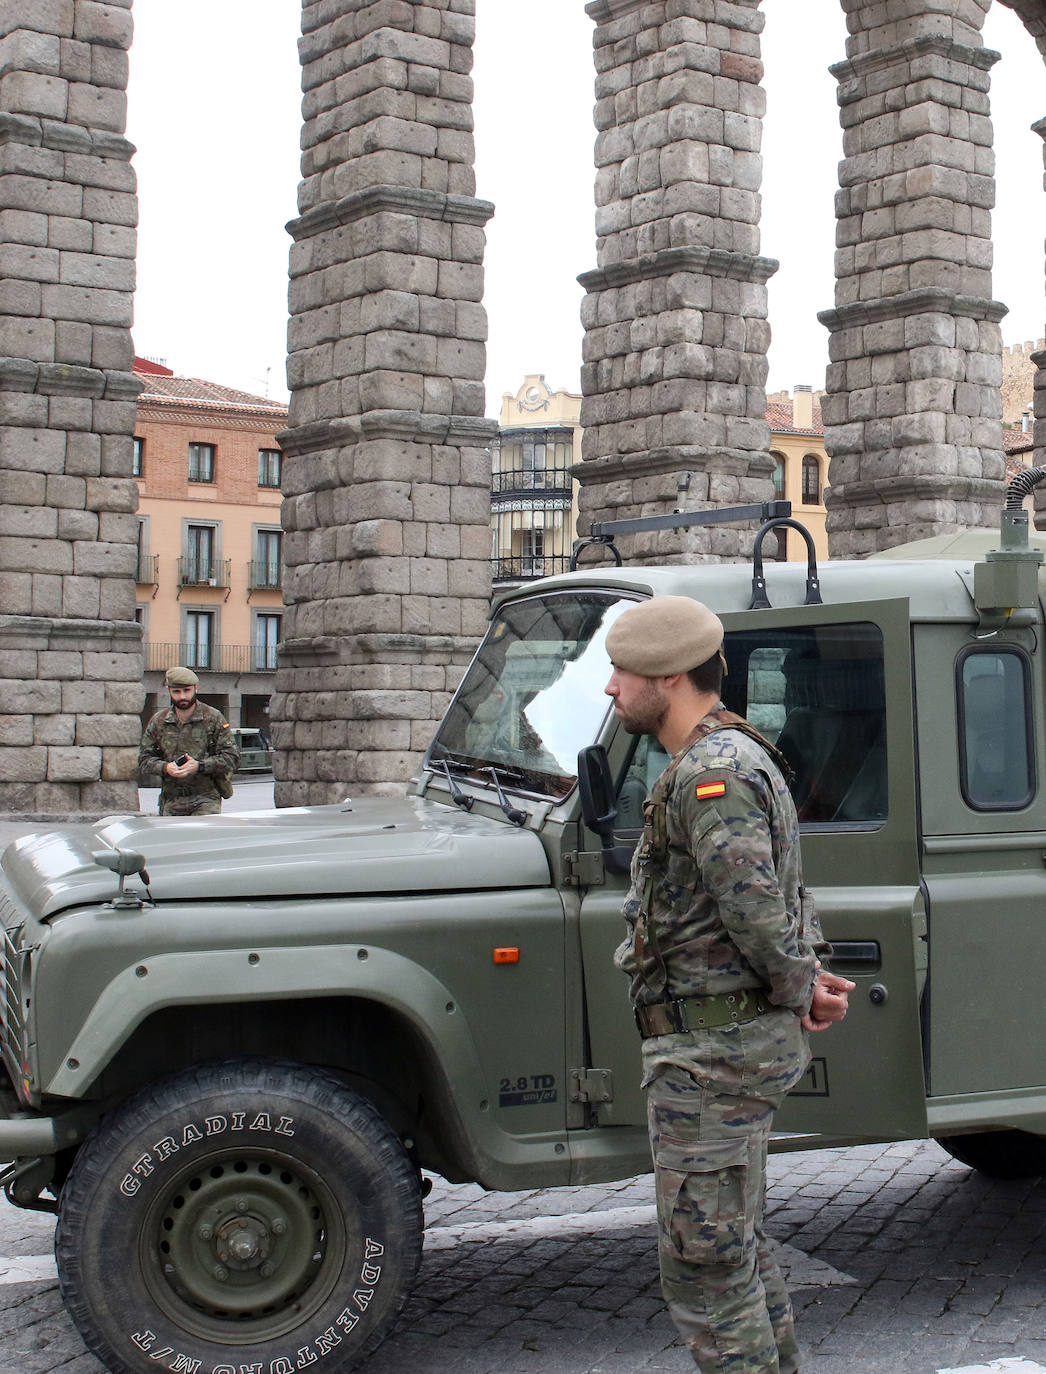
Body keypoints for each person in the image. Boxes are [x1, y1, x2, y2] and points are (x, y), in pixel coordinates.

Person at [604, 595, 855, 1374]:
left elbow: (754, 907)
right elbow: (778, 901)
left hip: (716, 1051)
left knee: (704, 1264)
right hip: (721, 1042)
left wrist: (796, 984)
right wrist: (802, 979)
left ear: (671, 677)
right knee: (731, 1247)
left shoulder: (713, 774)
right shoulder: (729, 755)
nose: (612, 688)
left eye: (624, 672)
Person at [138, 667, 239, 816]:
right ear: (168, 690)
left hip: (205, 798)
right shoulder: (159, 721)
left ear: (195, 688)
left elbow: (232, 757)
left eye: (187, 690)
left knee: (200, 836)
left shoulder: (213, 718)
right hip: (172, 799)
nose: (182, 696)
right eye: (176, 692)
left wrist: (199, 766)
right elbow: (144, 760)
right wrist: (166, 768)